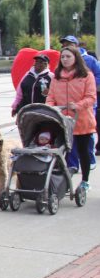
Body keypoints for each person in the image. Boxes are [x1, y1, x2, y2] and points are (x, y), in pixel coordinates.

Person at [46, 45, 96, 193]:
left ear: (76, 58)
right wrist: (50, 106)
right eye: (63, 57)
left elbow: (91, 97)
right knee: (61, 153)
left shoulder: (86, 75)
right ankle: (63, 182)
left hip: (82, 120)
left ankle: (85, 180)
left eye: (68, 56)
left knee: (83, 151)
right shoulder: (57, 76)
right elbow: (51, 96)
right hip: (61, 120)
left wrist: (78, 105)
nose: (65, 59)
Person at [59, 36, 99, 172]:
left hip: (84, 110)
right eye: (63, 45)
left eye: (68, 45)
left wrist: (79, 104)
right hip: (66, 112)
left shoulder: (89, 63)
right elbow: (53, 93)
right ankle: (72, 165)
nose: (65, 58)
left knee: (85, 140)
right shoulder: (59, 72)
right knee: (70, 141)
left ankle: (89, 160)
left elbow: (91, 94)